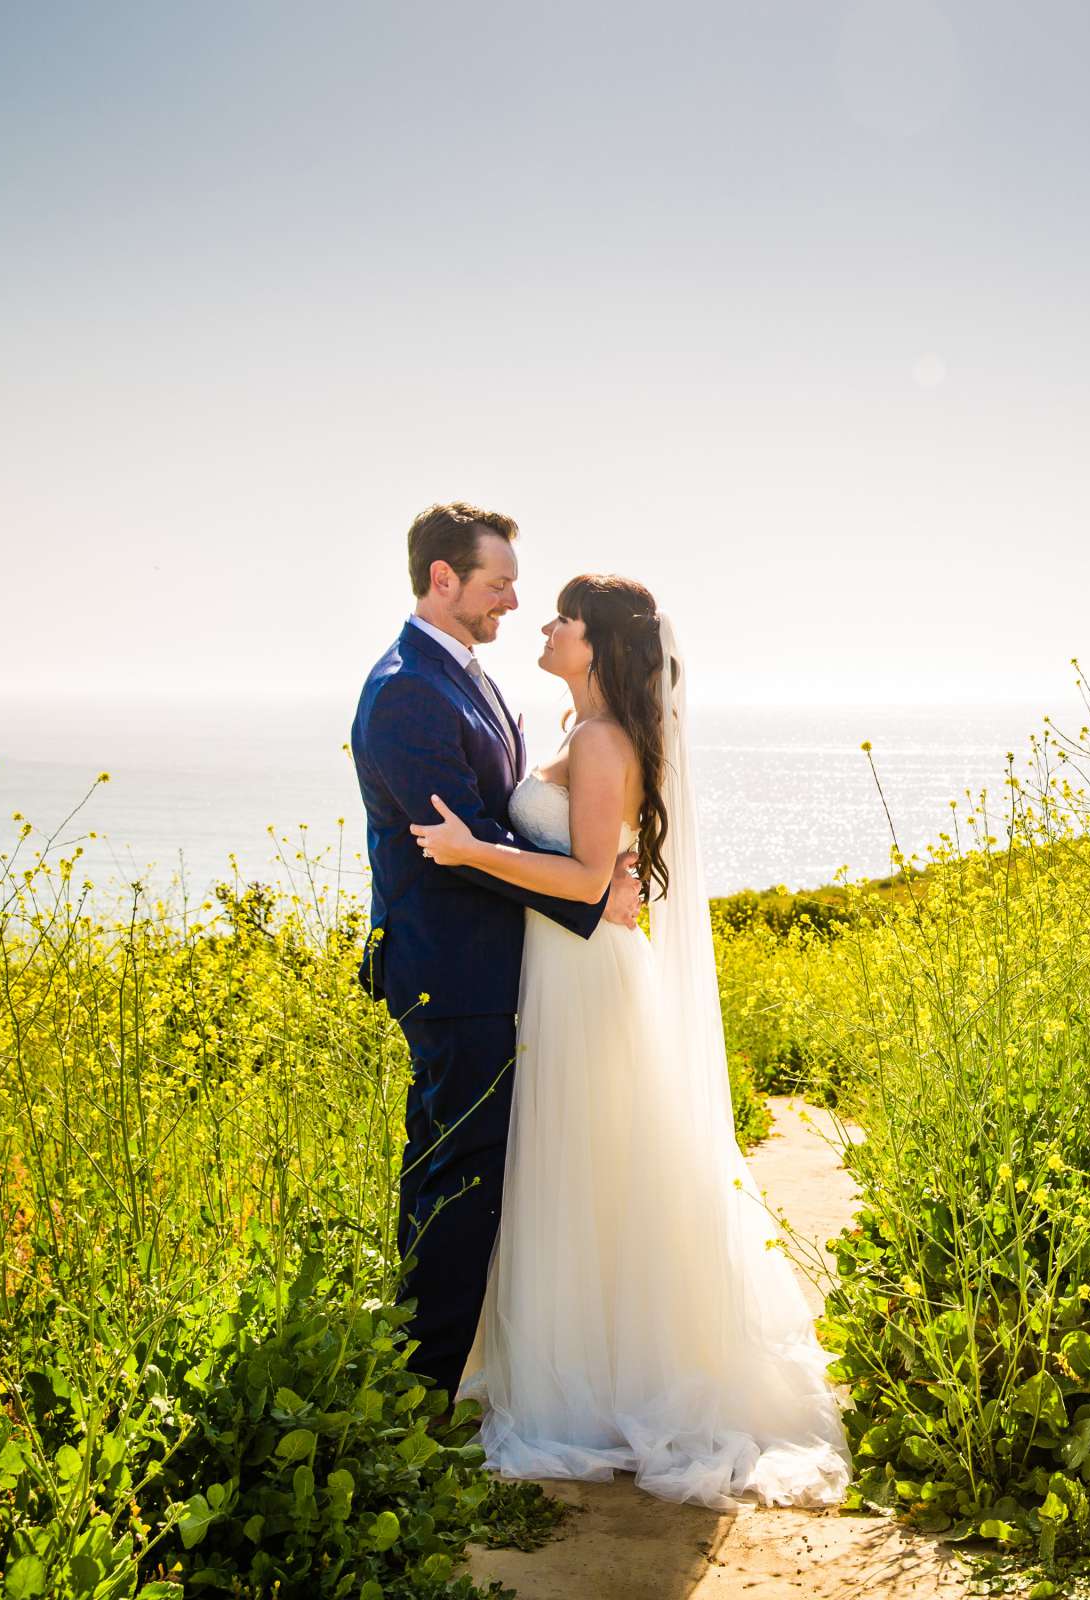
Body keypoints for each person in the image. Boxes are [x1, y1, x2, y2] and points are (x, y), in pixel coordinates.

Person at [407, 572, 849, 1511]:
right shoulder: (580, 732)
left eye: (565, 616)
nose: (547, 623)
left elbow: (581, 876)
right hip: (564, 972)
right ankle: (591, 1369)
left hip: (587, 979)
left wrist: (471, 851)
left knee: (597, 1164)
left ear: (599, 644)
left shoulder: (603, 741)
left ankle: (607, 1387)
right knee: (586, 1169)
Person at [349, 503, 642, 1399]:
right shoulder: (407, 688)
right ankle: (425, 1389)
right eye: (499, 583)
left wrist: (592, 871)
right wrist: (593, 896)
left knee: (445, 1159)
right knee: (461, 1170)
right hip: (451, 969)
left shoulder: (462, 674)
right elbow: (465, 839)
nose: (514, 602)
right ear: (444, 579)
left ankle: (416, 1358)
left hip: (491, 969)